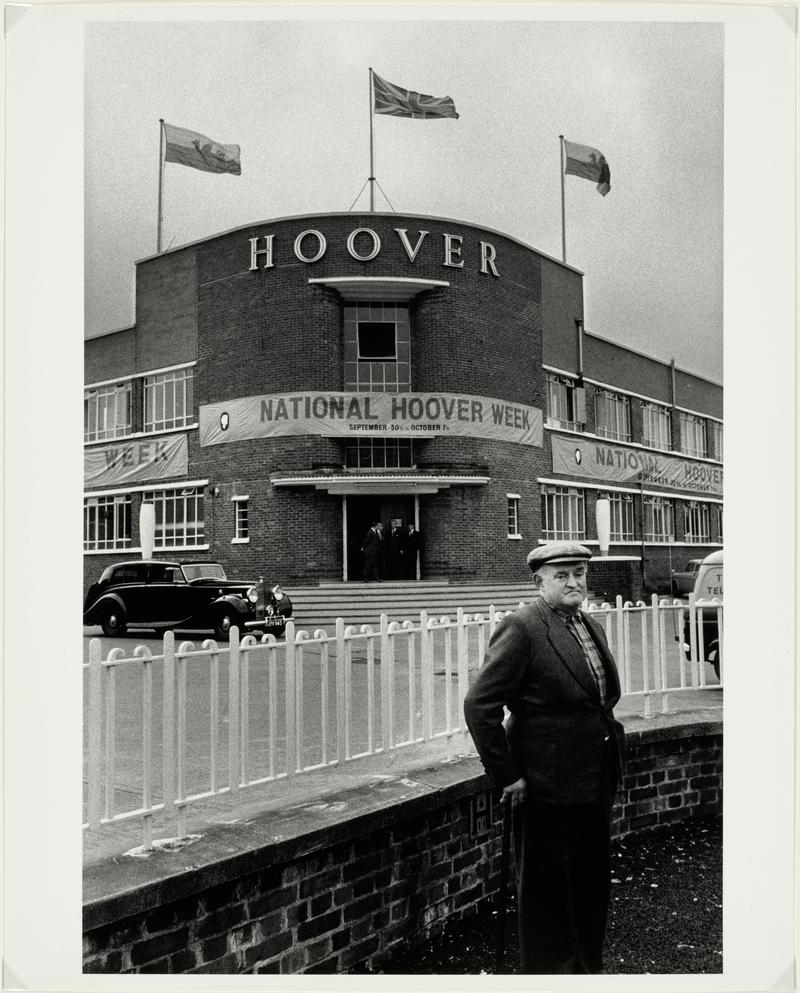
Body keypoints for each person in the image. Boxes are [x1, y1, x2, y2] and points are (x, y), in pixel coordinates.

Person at [463, 541, 626, 974]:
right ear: (539, 582)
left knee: (590, 885)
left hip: (593, 776)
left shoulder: (589, 624)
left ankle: (586, 970)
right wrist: (507, 774)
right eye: (562, 575)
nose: (574, 582)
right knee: (547, 892)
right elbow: (480, 705)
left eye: (580, 573)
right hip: (544, 782)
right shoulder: (522, 627)